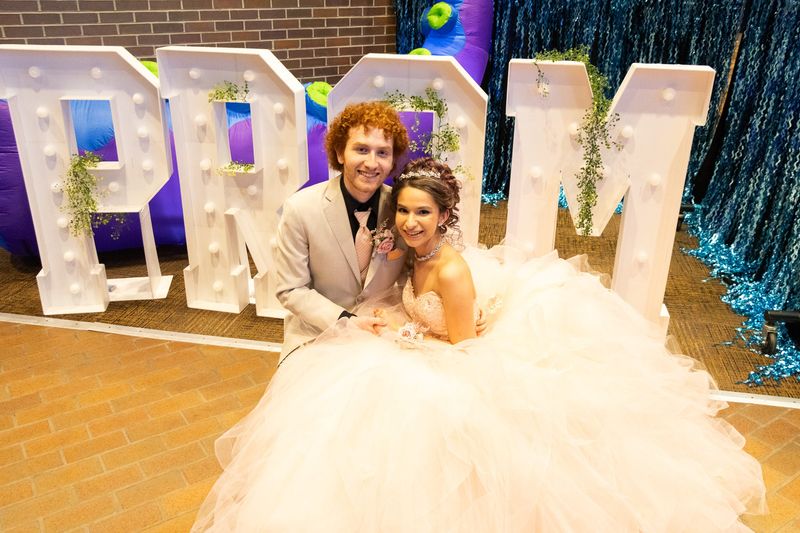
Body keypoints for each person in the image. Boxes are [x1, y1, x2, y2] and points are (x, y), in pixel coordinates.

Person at [193, 158, 766, 532]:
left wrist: (410, 337)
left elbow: (465, 350)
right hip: (425, 339)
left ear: (445, 215)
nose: (411, 221)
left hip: (456, 357)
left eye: (424, 212)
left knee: (403, 415)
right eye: (405, 211)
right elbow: (397, 294)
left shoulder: (450, 271)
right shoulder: (412, 254)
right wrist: (394, 318)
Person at [272, 101, 410, 362]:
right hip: (318, 331)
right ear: (339, 153)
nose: (372, 163)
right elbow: (291, 290)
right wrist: (346, 321)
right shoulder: (300, 209)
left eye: (383, 153)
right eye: (361, 149)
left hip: (384, 329)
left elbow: (417, 271)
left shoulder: (403, 210)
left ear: (392, 160)